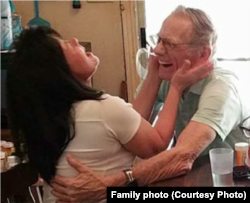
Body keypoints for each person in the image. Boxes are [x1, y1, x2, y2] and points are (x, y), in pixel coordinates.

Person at [51, 5, 249, 203]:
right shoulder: (171, 78)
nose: (156, 50)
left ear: (203, 54)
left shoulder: (221, 87)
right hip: (192, 183)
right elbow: (130, 129)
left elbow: (183, 157)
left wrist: (110, 185)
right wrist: (155, 75)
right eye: (158, 40)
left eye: (169, 44)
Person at [6, 26, 211, 203]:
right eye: (67, 45)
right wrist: (176, 87)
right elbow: (155, 144)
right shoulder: (103, 110)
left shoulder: (57, 114)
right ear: (57, 70)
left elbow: (131, 124)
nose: (76, 41)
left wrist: (153, 75)